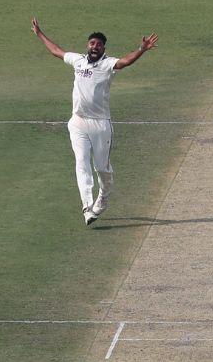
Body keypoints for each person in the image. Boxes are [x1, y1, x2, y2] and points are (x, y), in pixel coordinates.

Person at [31, 17, 159, 225]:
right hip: (78, 121)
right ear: (87, 45)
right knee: (81, 163)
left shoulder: (108, 64)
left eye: (99, 44)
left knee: (102, 168)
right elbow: (56, 50)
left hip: (100, 124)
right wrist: (39, 34)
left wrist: (141, 49)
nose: (95, 47)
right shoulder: (78, 60)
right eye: (92, 43)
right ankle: (87, 207)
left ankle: (103, 198)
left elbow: (125, 62)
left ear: (103, 48)